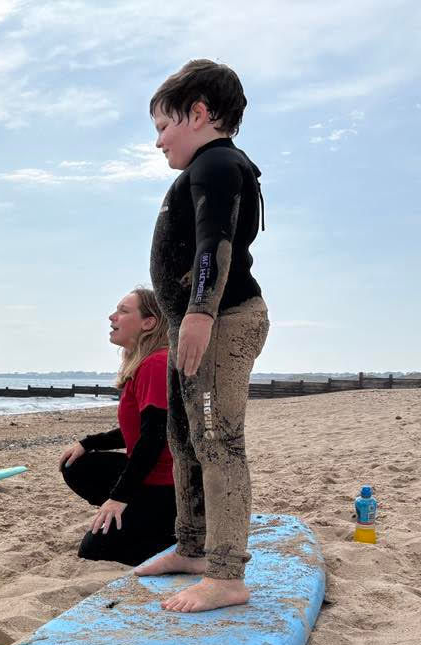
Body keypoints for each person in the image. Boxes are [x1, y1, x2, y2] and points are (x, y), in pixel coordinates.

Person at [137, 59, 271, 612]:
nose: (159, 141)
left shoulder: (218, 165)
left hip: (220, 319)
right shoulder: (200, 168)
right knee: (184, 437)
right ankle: (192, 546)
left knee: (217, 440)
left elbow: (215, 245)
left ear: (199, 113)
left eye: (164, 127)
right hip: (192, 322)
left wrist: (198, 314)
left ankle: (225, 574)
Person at [59, 287, 176, 566]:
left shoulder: (157, 364)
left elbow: (154, 437)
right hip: (150, 478)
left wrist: (119, 498)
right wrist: (88, 443)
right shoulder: (145, 364)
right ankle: (135, 518)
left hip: (165, 486)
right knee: (77, 465)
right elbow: (135, 430)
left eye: (123, 311)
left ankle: (161, 531)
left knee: (93, 550)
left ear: (149, 323)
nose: (112, 317)